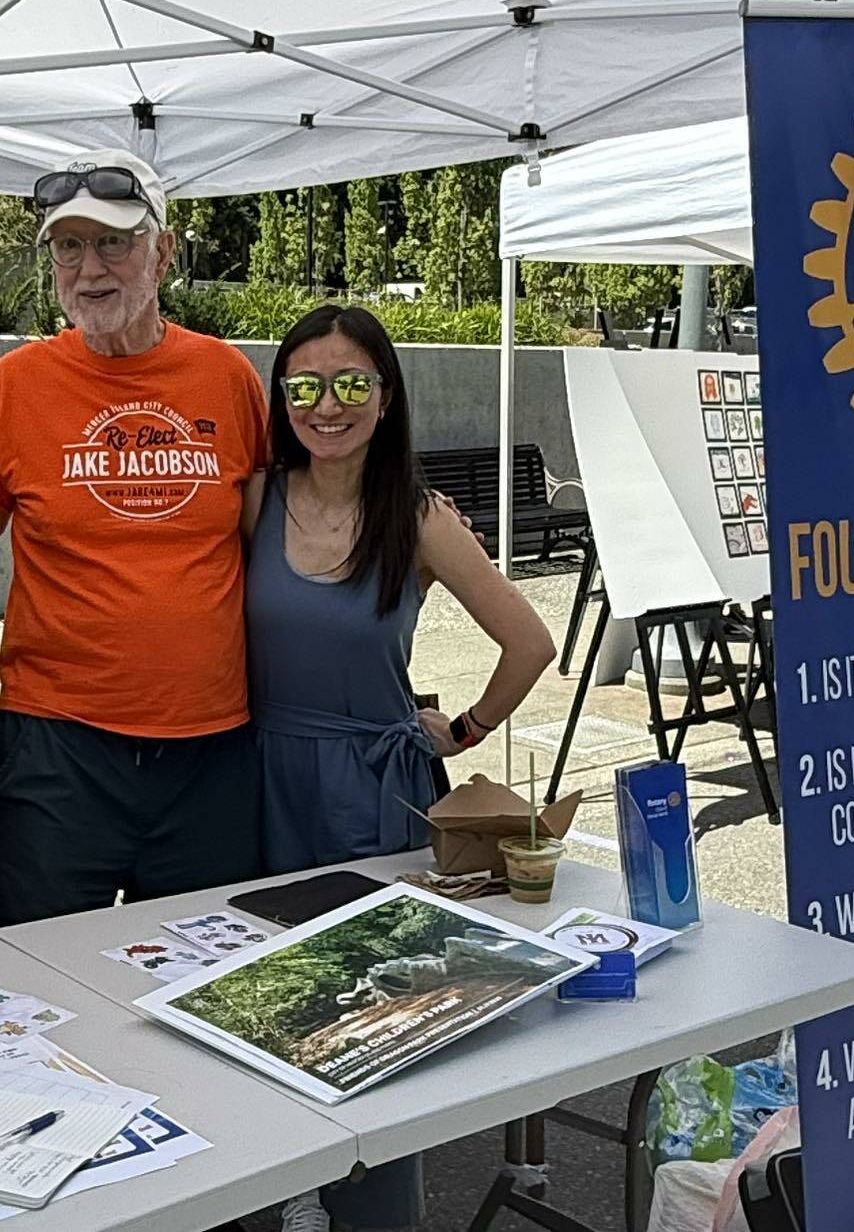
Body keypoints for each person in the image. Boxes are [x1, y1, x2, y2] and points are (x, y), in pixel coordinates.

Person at [0, 149, 268, 928]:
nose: (90, 267)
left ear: (164, 251)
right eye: (68, 247)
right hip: (58, 748)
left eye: (115, 241)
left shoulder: (228, 377)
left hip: (211, 748)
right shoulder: (17, 383)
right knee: (29, 969)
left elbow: (278, 539)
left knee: (206, 966)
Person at [247, 304, 557, 1232]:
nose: (327, 405)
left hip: (371, 795)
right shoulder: (253, 497)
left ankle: (377, 1212)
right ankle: (284, 1194)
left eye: (352, 384)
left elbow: (529, 642)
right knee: (260, 1008)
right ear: (281, 398)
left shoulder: (417, 517)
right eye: (304, 385)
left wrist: (457, 731)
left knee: (375, 1025)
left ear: (386, 399)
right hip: (251, 784)